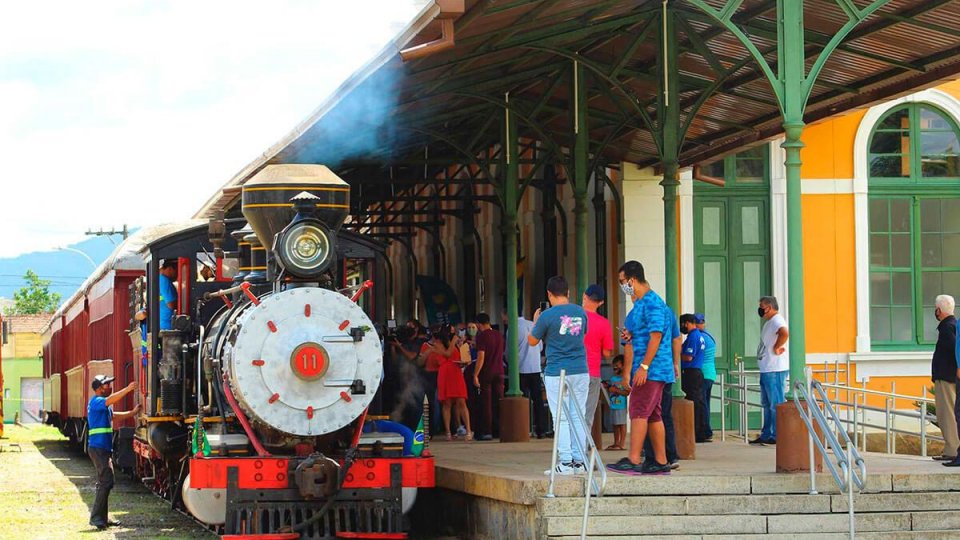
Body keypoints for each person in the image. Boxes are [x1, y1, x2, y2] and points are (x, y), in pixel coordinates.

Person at [608, 260, 673, 475]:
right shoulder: (641, 305)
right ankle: (660, 461)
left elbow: (656, 336)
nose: (622, 285)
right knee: (653, 415)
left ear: (632, 280)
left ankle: (634, 458)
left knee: (637, 410)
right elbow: (641, 335)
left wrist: (643, 366)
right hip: (649, 368)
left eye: (622, 281)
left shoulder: (653, 303)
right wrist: (631, 336)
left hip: (651, 370)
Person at [529, 275, 589, 475]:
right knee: (578, 415)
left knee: (560, 417)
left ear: (549, 294)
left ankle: (565, 463)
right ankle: (580, 462)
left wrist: (536, 322)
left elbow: (532, 341)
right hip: (581, 369)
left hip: (557, 372)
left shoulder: (546, 316)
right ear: (568, 293)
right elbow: (582, 334)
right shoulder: (581, 312)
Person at [87, 375, 140, 530]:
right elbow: (111, 399)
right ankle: (97, 519)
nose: (110, 386)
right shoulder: (97, 401)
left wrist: (132, 412)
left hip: (102, 449)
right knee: (105, 482)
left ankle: (102, 518)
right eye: (106, 384)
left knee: (106, 482)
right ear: (98, 388)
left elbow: (114, 416)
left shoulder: (104, 406)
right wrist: (128, 389)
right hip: (98, 449)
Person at [641, 307, 682, 471]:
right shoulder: (668, 312)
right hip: (666, 371)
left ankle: (652, 456)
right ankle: (670, 455)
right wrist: (675, 363)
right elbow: (677, 339)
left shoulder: (643, 311)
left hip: (650, 372)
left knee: (647, 414)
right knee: (664, 413)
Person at [751, 296, 789, 445]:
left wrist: (776, 347)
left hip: (775, 368)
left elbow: (784, 332)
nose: (760, 309)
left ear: (769, 307)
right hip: (767, 368)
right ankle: (766, 433)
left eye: (762, 306)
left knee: (775, 403)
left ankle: (776, 434)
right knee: (767, 403)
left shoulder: (777, 321)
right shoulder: (769, 323)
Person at [429, 325, 473, 441]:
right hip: (445, 372)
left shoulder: (455, 344)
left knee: (461, 401)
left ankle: (468, 429)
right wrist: (453, 342)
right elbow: (447, 354)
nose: (454, 334)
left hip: (456, 371)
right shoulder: (437, 343)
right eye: (452, 332)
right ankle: (448, 431)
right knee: (447, 403)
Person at [582, 284, 614, 441]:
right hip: (592, 372)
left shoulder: (573, 318)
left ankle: (566, 453)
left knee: (568, 414)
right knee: (587, 414)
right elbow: (607, 353)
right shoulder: (604, 323)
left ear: (584, 296)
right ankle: (582, 451)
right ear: (601, 303)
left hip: (572, 371)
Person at [930, 295, 959, 462]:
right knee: (950, 413)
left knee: (946, 414)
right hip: (951, 376)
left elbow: (954, 349)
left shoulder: (947, 328)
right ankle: (952, 449)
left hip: (947, 378)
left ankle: (952, 450)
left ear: (939, 310)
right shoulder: (953, 325)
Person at [516, 310, 549, 438]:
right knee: (538, 401)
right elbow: (540, 347)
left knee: (523, 400)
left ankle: (524, 428)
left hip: (520, 368)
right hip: (535, 367)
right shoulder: (532, 325)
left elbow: (510, 351)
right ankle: (541, 429)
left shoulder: (514, 327)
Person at [473, 313, 505, 441]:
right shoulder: (499, 335)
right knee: (498, 401)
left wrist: (475, 374)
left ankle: (487, 431)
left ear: (479, 324)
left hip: (487, 372)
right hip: (499, 370)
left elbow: (481, 356)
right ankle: (498, 429)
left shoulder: (482, 336)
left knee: (486, 403)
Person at [680, 313, 710, 443]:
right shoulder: (700, 335)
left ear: (687, 323)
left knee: (694, 402)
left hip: (691, 372)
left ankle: (697, 431)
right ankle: (701, 430)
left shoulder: (693, 337)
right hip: (696, 371)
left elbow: (688, 356)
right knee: (699, 402)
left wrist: (676, 353)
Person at [696, 313, 717, 441]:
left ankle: (704, 431)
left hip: (703, 374)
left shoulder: (700, 337)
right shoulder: (710, 336)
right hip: (710, 373)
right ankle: (707, 429)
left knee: (701, 404)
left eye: (699, 322)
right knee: (705, 403)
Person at [603, 355, 629, 450]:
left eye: (617, 365)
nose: (615, 367)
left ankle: (621, 444)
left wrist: (617, 391)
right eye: (614, 365)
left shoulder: (625, 379)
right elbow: (609, 388)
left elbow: (627, 392)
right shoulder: (613, 379)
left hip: (621, 406)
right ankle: (616, 443)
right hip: (613, 405)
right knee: (615, 424)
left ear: (623, 366)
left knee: (622, 424)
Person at [158, 259, 179, 330]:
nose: (178, 274)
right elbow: (171, 304)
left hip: (163, 324)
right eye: (177, 271)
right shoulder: (164, 281)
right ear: (170, 269)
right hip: (168, 325)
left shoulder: (160, 279)